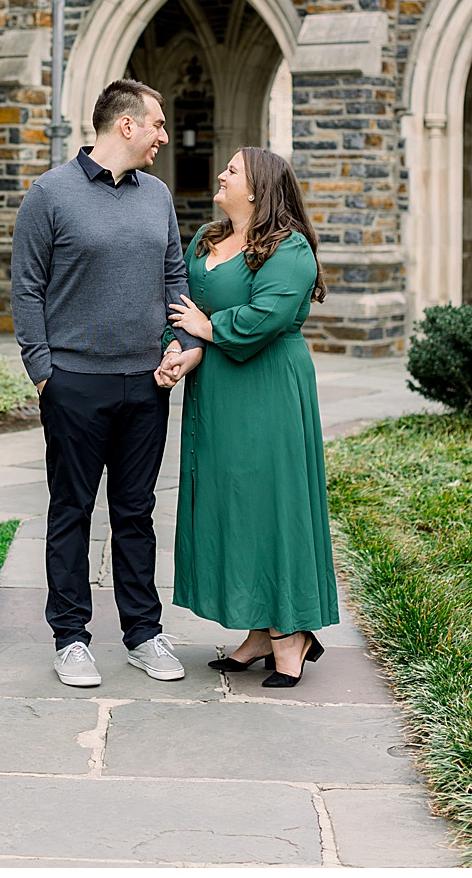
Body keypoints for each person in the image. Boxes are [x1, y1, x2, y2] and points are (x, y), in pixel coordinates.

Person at [11, 79, 204, 687]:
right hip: (74, 385)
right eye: (156, 124)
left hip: (146, 384)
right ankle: (71, 638)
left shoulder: (158, 195)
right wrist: (44, 373)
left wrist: (182, 345)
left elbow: (175, 276)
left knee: (136, 513)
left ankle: (145, 634)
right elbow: (26, 288)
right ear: (126, 126)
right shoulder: (50, 194)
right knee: (71, 510)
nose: (162, 137)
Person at [164, 146, 340, 688]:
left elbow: (265, 317)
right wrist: (184, 348)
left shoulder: (290, 252)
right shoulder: (205, 240)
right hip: (216, 388)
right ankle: (260, 630)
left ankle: (292, 633)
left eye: (233, 170)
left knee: (271, 502)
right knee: (229, 500)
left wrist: (205, 328)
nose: (221, 174)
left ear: (259, 189)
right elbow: (181, 308)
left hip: (268, 390)